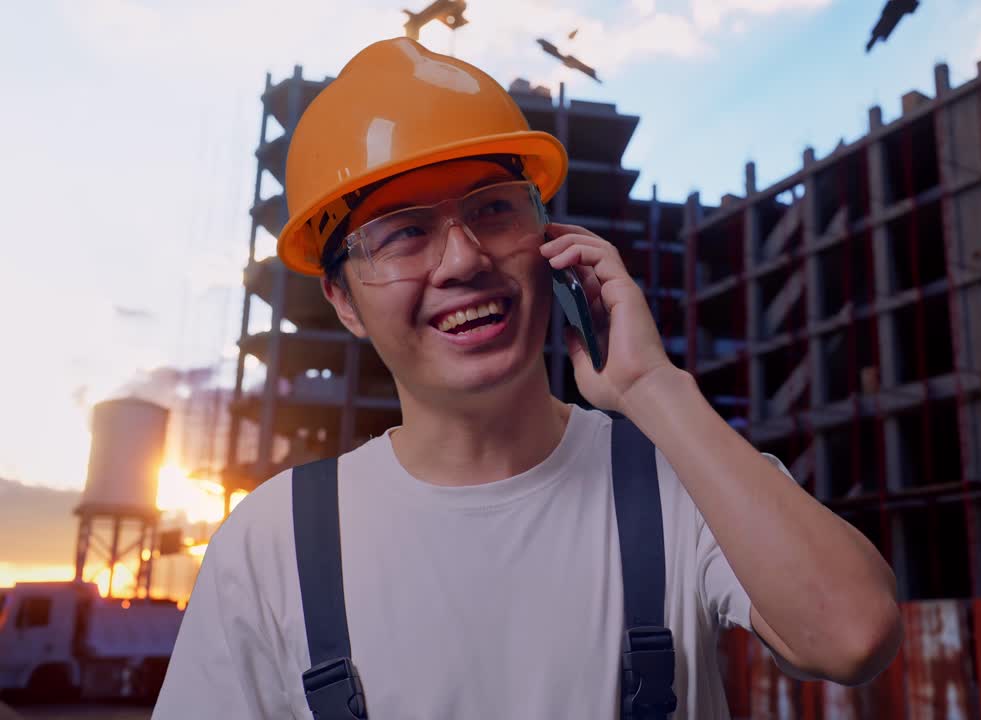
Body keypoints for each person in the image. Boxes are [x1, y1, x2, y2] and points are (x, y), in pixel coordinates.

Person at [154, 37, 900, 719]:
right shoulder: (272, 545)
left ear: (553, 241)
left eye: (494, 210)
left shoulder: (678, 484)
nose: (464, 259)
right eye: (406, 232)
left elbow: (852, 635)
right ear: (344, 300)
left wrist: (652, 389)